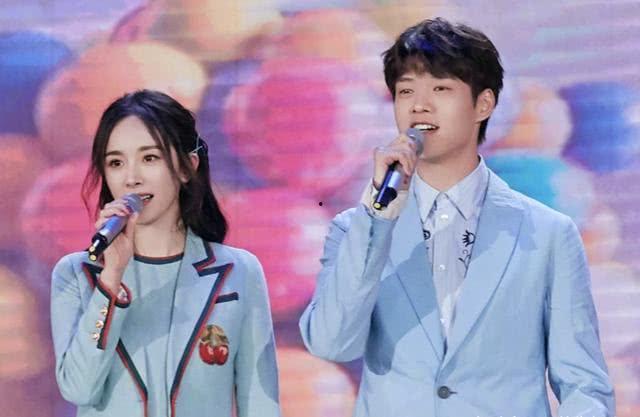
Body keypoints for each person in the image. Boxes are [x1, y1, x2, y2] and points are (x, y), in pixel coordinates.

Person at [299, 18, 615, 417]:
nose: (419, 106)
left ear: (484, 105)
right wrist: (377, 218)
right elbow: (330, 344)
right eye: (406, 91)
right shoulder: (355, 228)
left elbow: (583, 383)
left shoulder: (549, 233)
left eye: (441, 89)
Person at [51, 90, 281, 417]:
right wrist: (111, 280)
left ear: (188, 168)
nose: (131, 178)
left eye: (150, 158)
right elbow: (79, 388)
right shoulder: (77, 274)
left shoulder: (238, 270)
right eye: (116, 163)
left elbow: (260, 402)